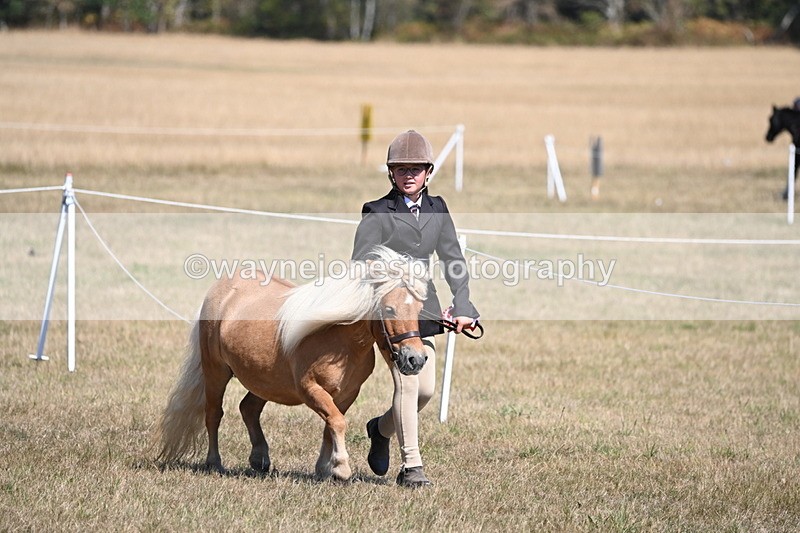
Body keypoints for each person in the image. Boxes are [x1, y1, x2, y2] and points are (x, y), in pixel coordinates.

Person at [351, 130, 479, 487]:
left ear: (428, 172)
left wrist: (463, 302)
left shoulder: (438, 208)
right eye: (402, 168)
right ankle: (412, 467)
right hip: (390, 315)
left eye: (416, 168)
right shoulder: (376, 211)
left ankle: (380, 429)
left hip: (426, 308)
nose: (409, 175)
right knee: (407, 384)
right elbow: (360, 262)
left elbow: (453, 259)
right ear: (392, 173)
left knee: (425, 390)